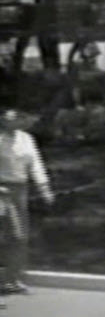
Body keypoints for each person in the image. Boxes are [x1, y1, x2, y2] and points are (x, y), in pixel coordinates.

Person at [0, 109, 53, 294]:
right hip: (1, 191)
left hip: (20, 190)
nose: (12, 122)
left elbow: (35, 164)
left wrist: (44, 188)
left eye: (16, 119)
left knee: (19, 237)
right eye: (7, 119)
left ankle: (11, 280)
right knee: (10, 235)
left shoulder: (26, 139)